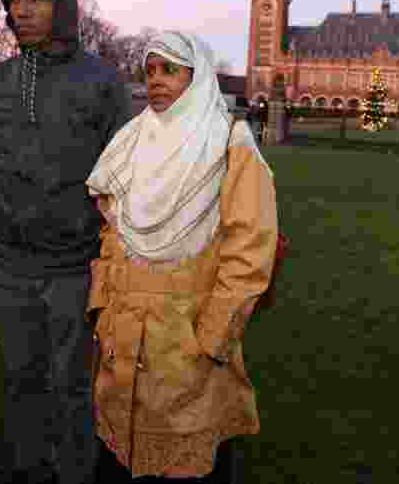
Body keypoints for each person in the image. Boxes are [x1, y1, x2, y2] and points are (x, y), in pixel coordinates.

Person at [0, 0, 132, 484]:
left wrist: (116, 263)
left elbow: (123, 182)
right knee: (19, 379)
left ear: (64, 4)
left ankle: (74, 471)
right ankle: (28, 468)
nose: (22, 10)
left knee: (74, 384)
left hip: (76, 266)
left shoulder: (102, 82)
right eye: (14, 1)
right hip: (9, 265)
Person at [86, 32, 279, 482]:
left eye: (169, 69)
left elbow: (249, 255)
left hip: (188, 339)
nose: (156, 80)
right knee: (119, 458)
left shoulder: (231, 145)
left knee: (188, 461)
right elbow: (111, 236)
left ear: (197, 78)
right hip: (122, 336)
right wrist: (102, 308)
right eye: (150, 71)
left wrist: (211, 339)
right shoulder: (129, 144)